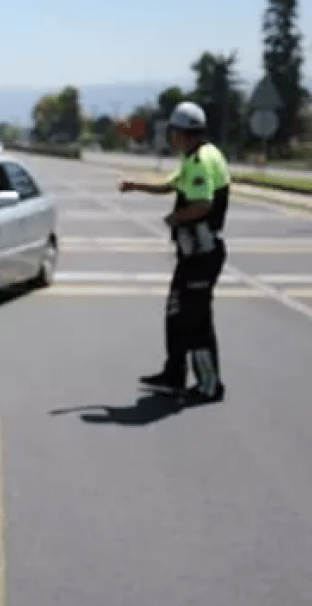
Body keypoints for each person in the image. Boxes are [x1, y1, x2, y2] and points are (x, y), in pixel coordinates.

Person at [118, 101, 229, 402]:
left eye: (174, 132)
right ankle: (174, 374)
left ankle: (209, 385)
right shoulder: (195, 157)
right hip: (191, 253)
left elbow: (203, 204)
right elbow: (172, 186)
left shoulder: (201, 161)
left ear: (185, 132)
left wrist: (176, 218)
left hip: (203, 254)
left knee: (197, 320)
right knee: (176, 313)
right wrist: (136, 185)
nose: (171, 137)